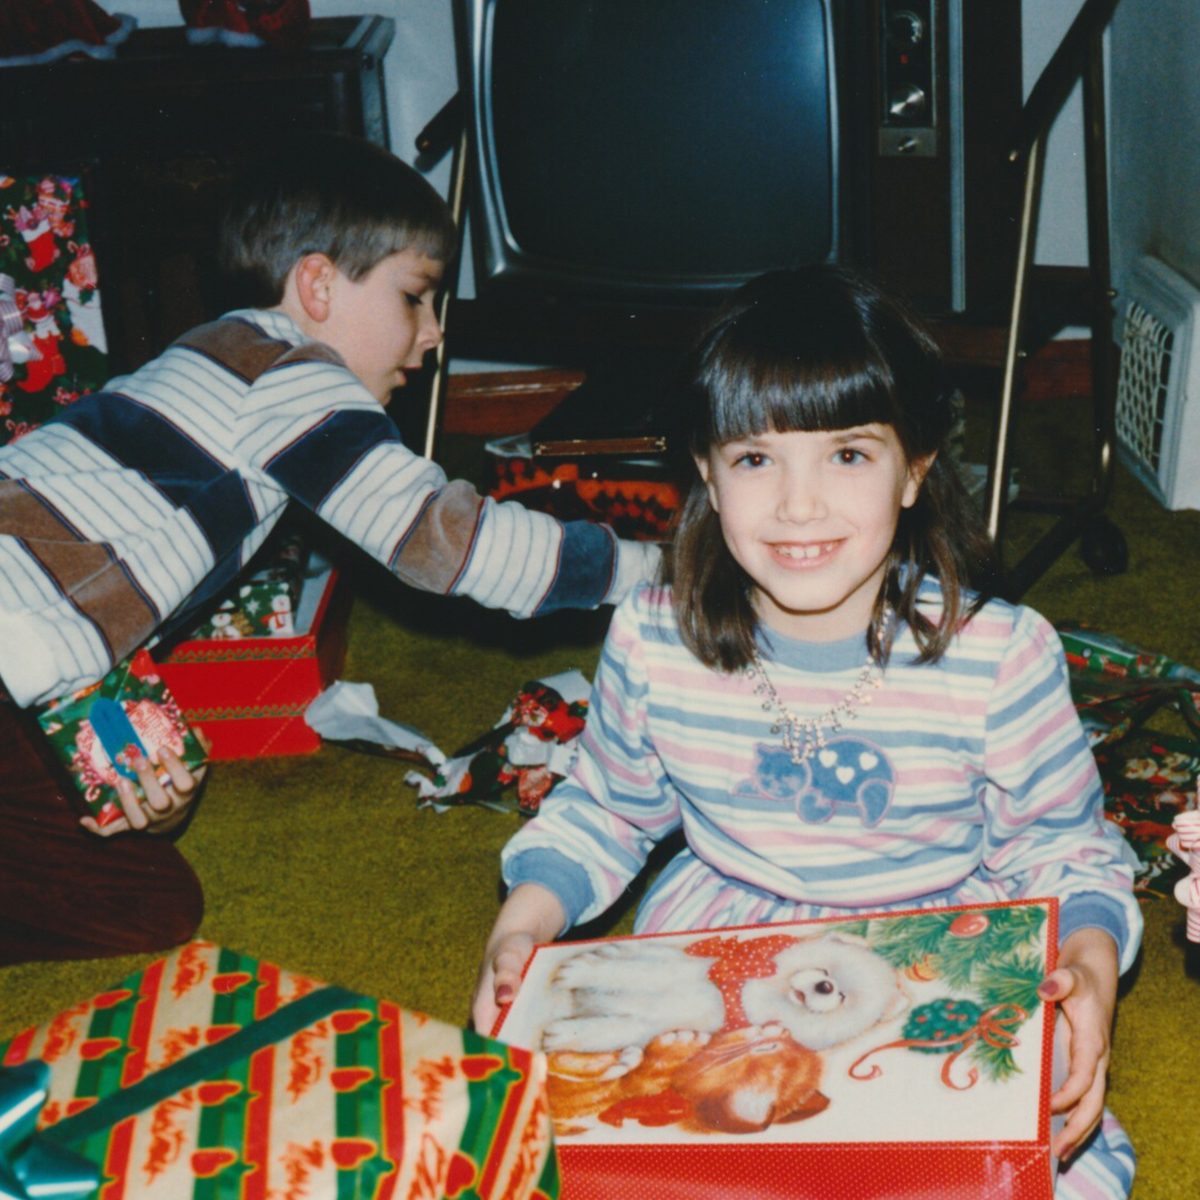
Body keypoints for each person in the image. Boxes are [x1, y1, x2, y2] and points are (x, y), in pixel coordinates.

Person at [472, 266, 1141, 1199]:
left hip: (936, 946)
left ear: (914, 470)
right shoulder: (654, 636)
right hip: (716, 947)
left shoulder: (1000, 656)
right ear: (705, 470)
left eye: (848, 455)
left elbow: (1065, 847)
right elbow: (609, 813)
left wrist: (1089, 973)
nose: (797, 504)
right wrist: (524, 924)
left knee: (1044, 1174)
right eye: (754, 459)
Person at [0, 132, 658, 965]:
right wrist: (648, 570)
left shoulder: (211, 361)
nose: (431, 337)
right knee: (142, 907)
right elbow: (447, 545)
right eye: (415, 297)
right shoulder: (292, 373)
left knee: (145, 894)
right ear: (316, 284)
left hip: (23, 662)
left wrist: (134, 771)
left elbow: (77, 589)